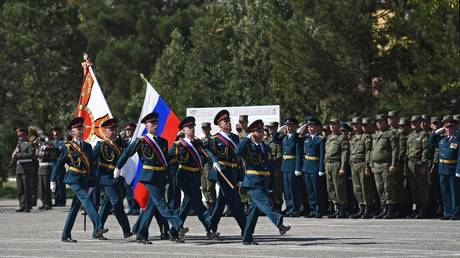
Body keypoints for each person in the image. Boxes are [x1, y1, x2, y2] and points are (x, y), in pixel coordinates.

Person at [115, 112, 188, 244]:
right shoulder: (141, 141)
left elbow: (165, 160)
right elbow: (128, 153)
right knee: (161, 203)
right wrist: (118, 167)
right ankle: (178, 225)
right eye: (151, 123)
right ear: (146, 126)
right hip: (149, 177)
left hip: (160, 176)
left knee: (150, 207)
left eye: (155, 123)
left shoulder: (163, 141)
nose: (154, 125)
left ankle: (141, 234)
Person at [50, 117, 108, 242]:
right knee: (86, 200)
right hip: (73, 178)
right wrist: (53, 179)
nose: (80, 130)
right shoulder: (68, 147)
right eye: (77, 129)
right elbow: (60, 163)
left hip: (84, 179)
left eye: (81, 128)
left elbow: (91, 166)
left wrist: (92, 183)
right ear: (72, 132)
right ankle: (98, 226)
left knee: (74, 208)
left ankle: (65, 235)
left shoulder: (87, 146)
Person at [236, 119, 291, 245]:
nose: (261, 134)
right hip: (252, 182)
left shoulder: (266, 147)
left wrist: (271, 186)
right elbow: (237, 152)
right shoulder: (247, 146)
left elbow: (270, 167)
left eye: (262, 131)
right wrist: (246, 138)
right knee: (266, 204)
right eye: (258, 131)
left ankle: (247, 237)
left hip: (264, 182)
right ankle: (279, 224)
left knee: (254, 212)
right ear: (253, 133)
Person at [169, 116, 218, 239]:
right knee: (198, 203)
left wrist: (215, 161)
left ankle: (174, 231)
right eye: (189, 128)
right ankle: (210, 227)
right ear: (183, 130)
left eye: (193, 127)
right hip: (184, 177)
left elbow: (207, 152)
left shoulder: (198, 143)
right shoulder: (178, 144)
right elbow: (168, 159)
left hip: (196, 176)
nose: (192, 129)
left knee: (187, 204)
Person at [205, 109, 246, 235]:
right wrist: (214, 160)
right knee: (234, 201)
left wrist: (240, 177)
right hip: (221, 172)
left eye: (228, 120)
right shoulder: (214, 139)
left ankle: (211, 228)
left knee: (221, 202)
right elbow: (206, 149)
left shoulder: (234, 137)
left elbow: (238, 159)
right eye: (225, 121)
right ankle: (246, 229)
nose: (228, 123)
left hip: (233, 172)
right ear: (219, 124)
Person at [92, 118, 132, 240]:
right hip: (106, 178)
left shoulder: (120, 145)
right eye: (111, 130)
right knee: (117, 202)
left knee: (106, 205)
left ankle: (97, 231)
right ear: (105, 131)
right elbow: (91, 159)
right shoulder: (101, 145)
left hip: (116, 178)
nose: (114, 132)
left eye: (115, 129)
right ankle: (126, 230)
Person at [428, 117, 460, 220]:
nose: (449, 129)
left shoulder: (457, 139)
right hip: (442, 169)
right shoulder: (442, 139)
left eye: (451, 127)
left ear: (455, 128)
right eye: (447, 127)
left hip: (452, 168)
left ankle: (455, 213)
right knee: (445, 192)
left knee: (454, 192)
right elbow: (431, 142)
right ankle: (448, 212)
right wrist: (438, 131)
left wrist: (458, 170)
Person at [272, 116, 302, 217]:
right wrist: (278, 131)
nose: (289, 127)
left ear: (295, 126)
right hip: (285, 166)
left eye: (291, 125)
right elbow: (275, 140)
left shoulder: (297, 138)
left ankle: (295, 209)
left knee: (294, 189)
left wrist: (298, 168)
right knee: (287, 190)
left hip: (293, 165)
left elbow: (298, 154)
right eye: (287, 125)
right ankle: (289, 208)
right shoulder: (285, 137)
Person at [371, 114, 398, 219]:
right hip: (376, 165)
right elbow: (373, 151)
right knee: (380, 188)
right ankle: (384, 208)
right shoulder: (376, 135)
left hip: (386, 164)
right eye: (377, 122)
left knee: (388, 187)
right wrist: (371, 164)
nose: (379, 124)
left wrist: (393, 164)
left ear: (386, 122)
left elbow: (395, 150)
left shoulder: (390, 134)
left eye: (381, 121)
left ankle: (390, 209)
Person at [299, 117, 325, 218]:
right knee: (309, 191)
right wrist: (302, 129)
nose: (310, 128)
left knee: (317, 190)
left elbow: (322, 155)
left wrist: (321, 169)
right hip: (307, 167)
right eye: (309, 127)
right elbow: (297, 136)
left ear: (318, 127)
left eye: (312, 126)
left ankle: (319, 210)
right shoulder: (306, 138)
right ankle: (312, 209)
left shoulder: (320, 139)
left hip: (315, 167)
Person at [325, 118, 349, 218]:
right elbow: (326, 153)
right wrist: (325, 166)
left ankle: (343, 210)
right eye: (331, 124)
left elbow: (344, 153)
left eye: (334, 124)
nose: (332, 126)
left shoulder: (342, 138)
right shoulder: (329, 137)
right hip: (328, 164)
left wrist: (342, 167)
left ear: (338, 125)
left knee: (339, 187)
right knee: (331, 188)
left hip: (337, 164)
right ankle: (337, 208)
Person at [349, 117, 373, 219]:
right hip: (354, 164)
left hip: (362, 163)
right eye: (353, 124)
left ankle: (367, 209)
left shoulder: (366, 137)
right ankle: (361, 208)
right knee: (357, 188)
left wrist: (367, 166)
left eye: (356, 124)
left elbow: (368, 152)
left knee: (365, 187)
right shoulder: (353, 138)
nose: (354, 126)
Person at [12, 128, 35, 212]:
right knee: (20, 188)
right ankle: (22, 205)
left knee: (26, 188)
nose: (19, 137)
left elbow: (31, 154)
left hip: (26, 169)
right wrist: (14, 155)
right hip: (19, 168)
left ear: (25, 135)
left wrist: (18, 155)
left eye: (20, 135)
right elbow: (17, 155)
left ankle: (27, 206)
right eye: (18, 136)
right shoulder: (18, 144)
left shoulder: (29, 144)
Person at [122, 122, 140, 215]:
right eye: (127, 130)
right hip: (127, 168)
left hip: (135, 167)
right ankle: (131, 208)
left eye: (130, 130)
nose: (128, 131)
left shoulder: (137, 141)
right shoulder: (123, 142)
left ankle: (136, 208)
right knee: (128, 189)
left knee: (135, 188)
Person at [200, 122, 217, 213]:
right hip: (203, 165)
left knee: (210, 186)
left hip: (210, 165)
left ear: (210, 129)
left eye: (206, 128)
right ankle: (208, 203)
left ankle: (213, 205)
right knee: (204, 186)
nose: (205, 130)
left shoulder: (213, 139)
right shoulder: (201, 140)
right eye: (203, 129)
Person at [49, 127, 66, 207]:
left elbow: (60, 150)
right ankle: (56, 199)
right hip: (53, 164)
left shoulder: (63, 143)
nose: (55, 136)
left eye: (57, 134)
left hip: (60, 166)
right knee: (54, 181)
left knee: (60, 183)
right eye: (54, 134)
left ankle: (62, 200)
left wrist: (52, 148)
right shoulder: (51, 143)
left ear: (60, 134)